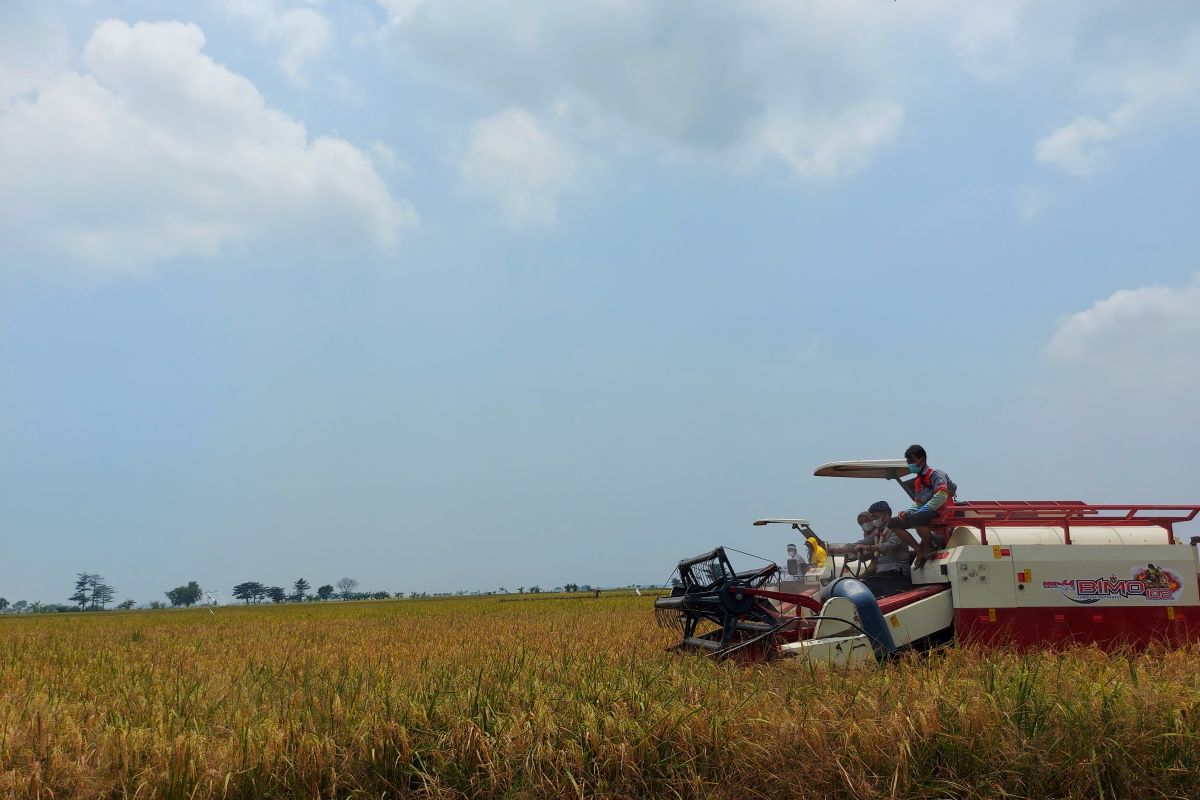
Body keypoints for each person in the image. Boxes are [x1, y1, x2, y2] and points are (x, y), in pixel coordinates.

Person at [888, 444, 956, 568]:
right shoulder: (918, 480)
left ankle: (929, 547)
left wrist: (921, 511)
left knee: (918, 518)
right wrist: (908, 512)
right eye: (908, 462)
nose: (910, 465)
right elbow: (918, 502)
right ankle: (919, 550)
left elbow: (941, 497)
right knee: (893, 523)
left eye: (912, 461)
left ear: (922, 460)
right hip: (926, 512)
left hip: (942, 510)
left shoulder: (936, 474)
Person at [829, 504, 913, 597]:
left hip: (897, 573)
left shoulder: (896, 528)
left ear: (885, 514)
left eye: (875, 517)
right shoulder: (878, 533)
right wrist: (841, 550)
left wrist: (869, 548)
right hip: (883, 574)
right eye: (872, 518)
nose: (873, 521)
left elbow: (889, 546)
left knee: (864, 590)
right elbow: (862, 543)